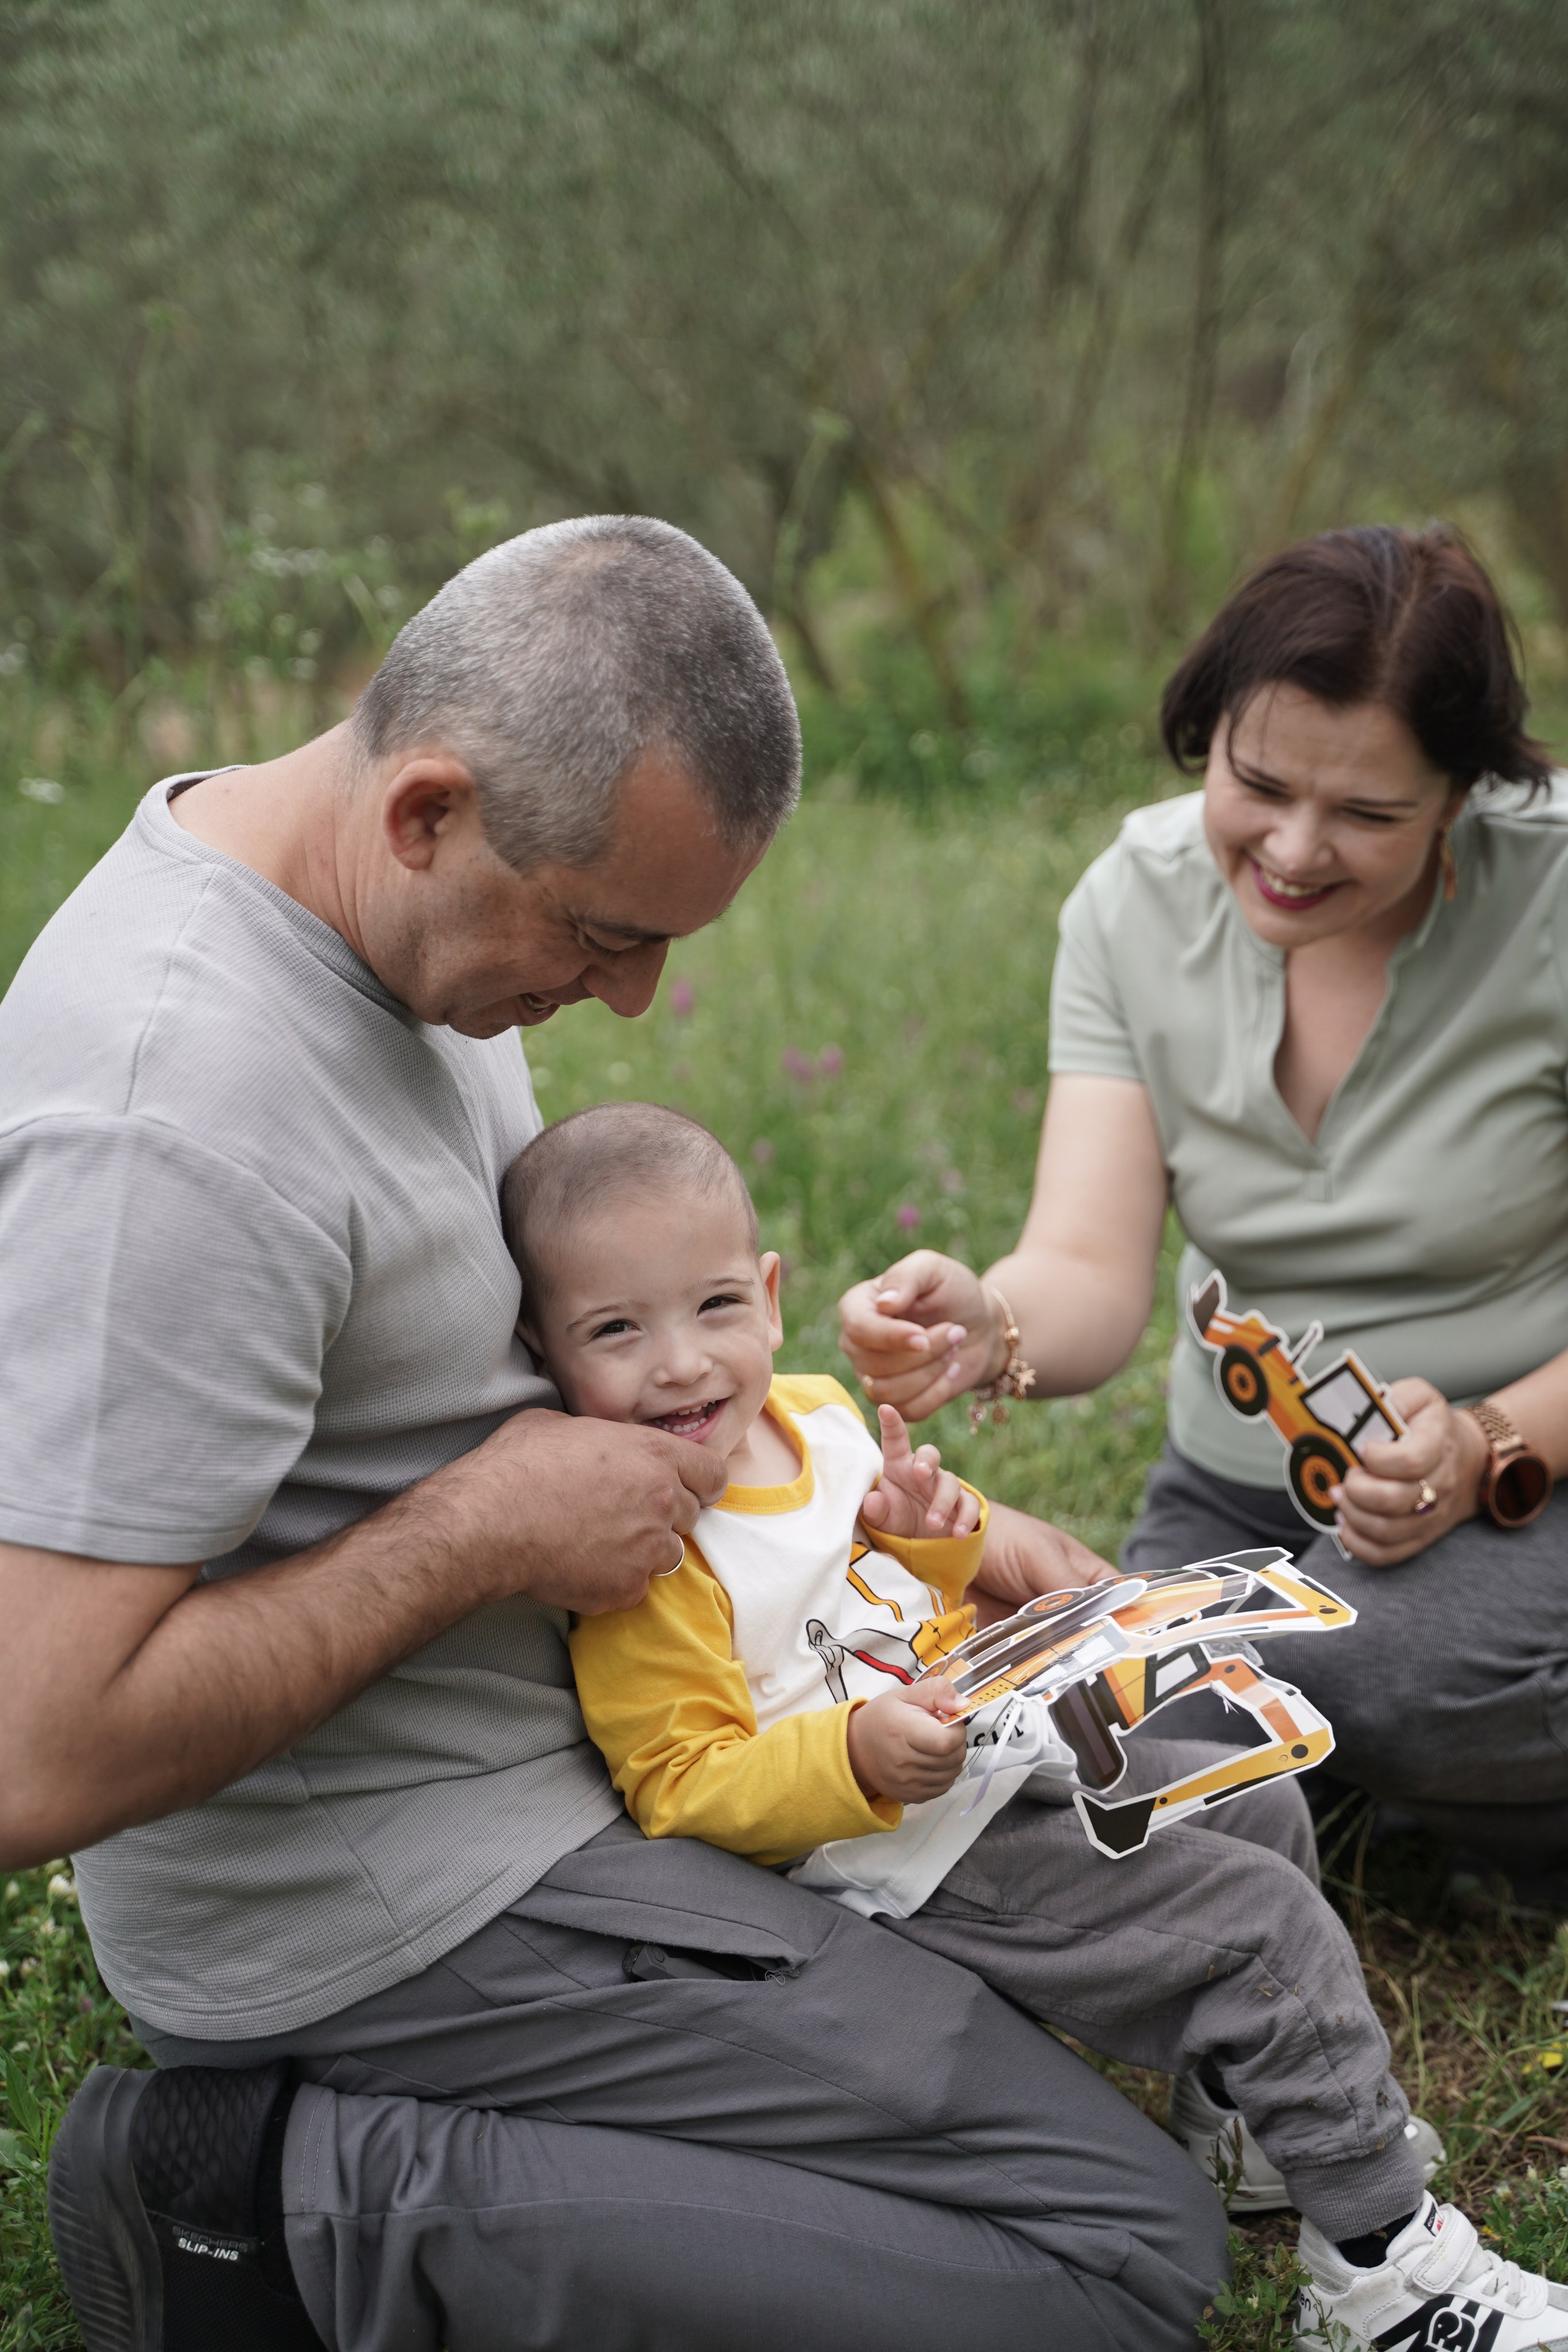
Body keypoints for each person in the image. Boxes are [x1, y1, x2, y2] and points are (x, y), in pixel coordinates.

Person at [4, 516, 1227, 2352]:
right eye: (605, 937)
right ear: (424, 807)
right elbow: (39, 1752)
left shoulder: (381, 919)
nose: (635, 1001)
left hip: (612, 1750)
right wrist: (479, 1536)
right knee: (1121, 2262)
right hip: (416, 1898)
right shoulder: (169, 1122)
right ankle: (264, 2214)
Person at [503, 1100, 1568, 2352]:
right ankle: (1381, 2273)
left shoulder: (810, 1416)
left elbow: (897, 1577)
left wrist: (933, 1532)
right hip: (900, 1853)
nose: (680, 1364)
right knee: (1259, 1935)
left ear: (772, 1295)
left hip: (995, 1753)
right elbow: (677, 1781)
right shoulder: (636, 1545)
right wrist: (853, 1758)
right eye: (616, 1330)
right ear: (543, 1351)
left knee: (1249, 1789)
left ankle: (1242, 2119)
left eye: (713, 1307)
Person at [840, 524, 1568, 1882]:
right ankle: (1404, 1803)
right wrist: (985, 1321)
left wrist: (1479, 1441)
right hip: (1242, 1508)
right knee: (1099, 1714)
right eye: (1258, 783)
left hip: (1530, 1476)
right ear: (1207, 732)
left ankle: (1384, 1776)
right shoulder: (1133, 903)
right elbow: (1089, 1272)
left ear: (1460, 794)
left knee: (1359, 1683)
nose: (1292, 849)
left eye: (1366, 814)